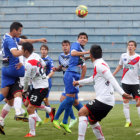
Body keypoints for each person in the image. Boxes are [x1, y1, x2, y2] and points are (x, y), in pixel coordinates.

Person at [73, 45, 133, 140]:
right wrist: (78, 82)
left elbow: (111, 78)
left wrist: (122, 93)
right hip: (107, 101)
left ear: (91, 54)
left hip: (104, 100)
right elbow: (94, 78)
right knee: (92, 121)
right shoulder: (102, 63)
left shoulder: (99, 65)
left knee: (82, 112)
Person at [1, 22, 47, 120]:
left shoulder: (7, 36)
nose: (20, 33)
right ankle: (22, 109)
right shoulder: (10, 41)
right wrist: (26, 51)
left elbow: (25, 40)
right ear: (14, 30)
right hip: (15, 69)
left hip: (5, 69)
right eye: (20, 31)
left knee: (5, 95)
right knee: (31, 73)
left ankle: (2, 120)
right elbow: (14, 53)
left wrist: (38, 40)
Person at [53, 32, 89, 133]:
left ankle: (65, 122)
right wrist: (87, 52)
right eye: (81, 38)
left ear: (87, 40)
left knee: (71, 100)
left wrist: (90, 55)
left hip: (75, 75)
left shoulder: (81, 49)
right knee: (69, 99)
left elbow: (81, 59)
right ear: (78, 39)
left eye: (85, 38)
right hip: (71, 74)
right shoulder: (76, 45)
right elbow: (73, 53)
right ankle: (56, 119)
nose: (83, 39)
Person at [22, 42, 55, 137]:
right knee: (26, 103)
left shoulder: (28, 63)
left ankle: (32, 132)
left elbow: (26, 79)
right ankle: (50, 110)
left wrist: (24, 90)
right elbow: (43, 64)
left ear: (26, 51)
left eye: (22, 50)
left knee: (30, 108)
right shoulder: (36, 55)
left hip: (41, 87)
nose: (21, 51)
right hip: (37, 85)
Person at [113, 40, 140, 128]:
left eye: (132, 45)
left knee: (138, 102)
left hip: (135, 83)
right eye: (129, 45)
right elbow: (120, 66)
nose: (130, 47)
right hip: (125, 82)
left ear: (135, 47)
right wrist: (112, 75)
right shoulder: (123, 56)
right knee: (125, 101)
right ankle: (128, 121)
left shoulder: (138, 57)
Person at [40, 44, 55, 124]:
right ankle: (39, 117)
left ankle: (48, 116)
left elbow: (53, 71)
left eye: (45, 49)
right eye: (42, 49)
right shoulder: (38, 59)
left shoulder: (49, 60)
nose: (43, 51)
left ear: (47, 51)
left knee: (45, 100)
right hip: (39, 82)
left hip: (47, 82)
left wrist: (47, 77)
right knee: (39, 99)